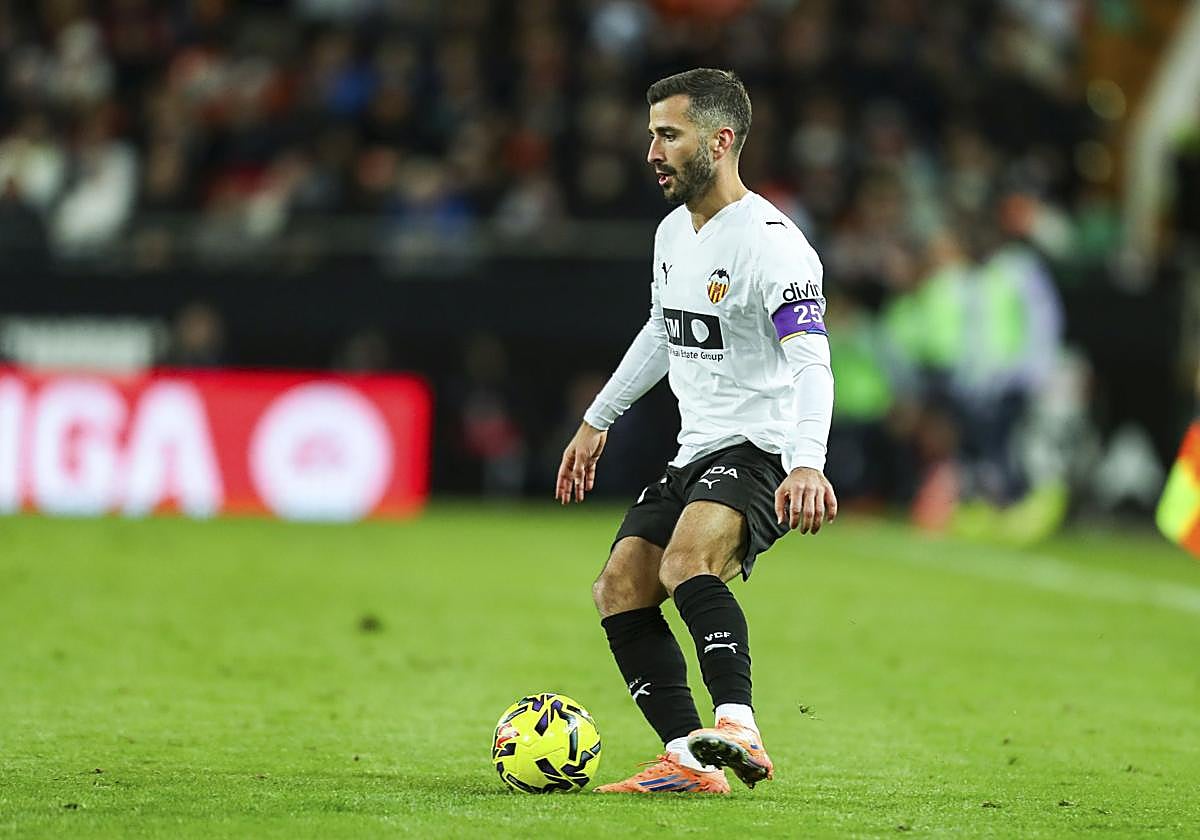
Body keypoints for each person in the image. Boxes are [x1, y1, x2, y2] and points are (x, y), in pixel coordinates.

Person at [555, 69, 837, 794]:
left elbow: (812, 361)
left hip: (763, 448)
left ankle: (738, 724)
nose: (652, 151)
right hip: (696, 450)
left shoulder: (774, 245)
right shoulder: (672, 232)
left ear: (720, 141)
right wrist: (596, 419)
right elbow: (662, 330)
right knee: (620, 586)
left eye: (668, 135)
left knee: (686, 562)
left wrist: (807, 463)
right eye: (652, 135)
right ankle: (688, 758)